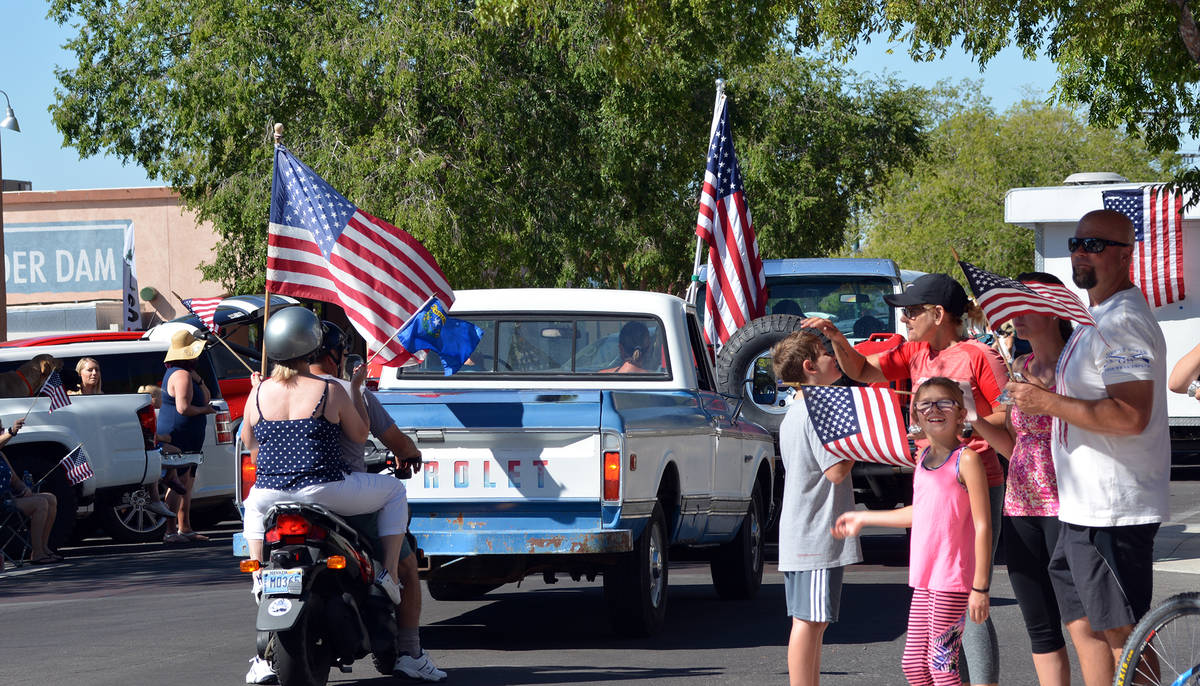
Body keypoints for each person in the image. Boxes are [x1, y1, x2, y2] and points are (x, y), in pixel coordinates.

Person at [802, 273, 1005, 686]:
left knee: (966, 594)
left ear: (939, 313)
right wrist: (835, 337)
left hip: (975, 478)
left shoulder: (979, 356)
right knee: (936, 606)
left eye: (912, 312)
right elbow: (860, 370)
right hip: (930, 479)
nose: (905, 319)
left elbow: (1009, 420)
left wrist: (972, 419)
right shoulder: (914, 353)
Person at [1005, 209, 1169, 686]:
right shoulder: (1095, 320)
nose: (1081, 251)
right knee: (1097, 629)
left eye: (1095, 245)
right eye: (1077, 242)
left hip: (1114, 510)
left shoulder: (1123, 323)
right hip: (1082, 508)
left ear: (1124, 255)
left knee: (1126, 636)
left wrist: (1045, 401)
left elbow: (1130, 414)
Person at [244, 321, 445, 684]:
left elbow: (253, 448)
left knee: (253, 508)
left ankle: (259, 574)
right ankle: (386, 579)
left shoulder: (257, 393)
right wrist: (355, 390)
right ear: (315, 348)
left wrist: (258, 392)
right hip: (324, 492)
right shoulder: (328, 390)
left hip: (270, 495)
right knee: (395, 494)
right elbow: (359, 434)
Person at [833, 378, 992, 686]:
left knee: (942, 667)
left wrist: (981, 587)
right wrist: (864, 519)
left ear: (960, 414)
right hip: (925, 578)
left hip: (953, 579)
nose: (934, 409)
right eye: (925, 404)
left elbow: (983, 524)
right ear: (916, 415)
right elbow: (919, 514)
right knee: (915, 667)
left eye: (944, 402)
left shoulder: (967, 459)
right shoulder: (922, 460)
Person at [994, 273, 1074, 686]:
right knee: (1039, 624)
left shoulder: (1076, 365)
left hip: (1069, 503)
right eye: (1013, 309)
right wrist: (970, 413)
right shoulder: (1020, 366)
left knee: (1086, 621)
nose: (1016, 317)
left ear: (1056, 311)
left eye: (1026, 307)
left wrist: (1046, 396)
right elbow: (1013, 441)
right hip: (1019, 503)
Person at [772, 329, 861, 686]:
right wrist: (859, 439)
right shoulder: (818, 409)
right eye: (825, 352)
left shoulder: (799, 408)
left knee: (812, 621)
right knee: (809, 622)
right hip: (814, 533)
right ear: (810, 366)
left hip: (804, 531)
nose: (832, 357)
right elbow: (837, 470)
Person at [158, 331, 217, 544]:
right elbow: (183, 408)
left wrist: (198, 379)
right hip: (179, 433)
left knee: (187, 480)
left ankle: (185, 527)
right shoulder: (181, 375)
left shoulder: (186, 373)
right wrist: (205, 411)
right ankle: (171, 530)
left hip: (189, 434)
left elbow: (206, 396)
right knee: (177, 481)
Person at [0, 418, 62, 564]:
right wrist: (11, 431)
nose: (1, 433)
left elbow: (15, 481)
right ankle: (37, 553)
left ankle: (43, 548)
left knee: (50, 498)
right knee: (40, 503)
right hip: (2, 504)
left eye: (1, 430)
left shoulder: (1, 456)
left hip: (9, 500)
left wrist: (24, 489)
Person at [136, 384, 184, 520]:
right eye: (161, 398)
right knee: (172, 453)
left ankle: (171, 476)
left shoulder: (150, 410)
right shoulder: (147, 411)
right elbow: (150, 435)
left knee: (175, 451)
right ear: (153, 398)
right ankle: (167, 481)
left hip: (153, 445)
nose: (163, 402)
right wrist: (164, 437)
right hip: (150, 446)